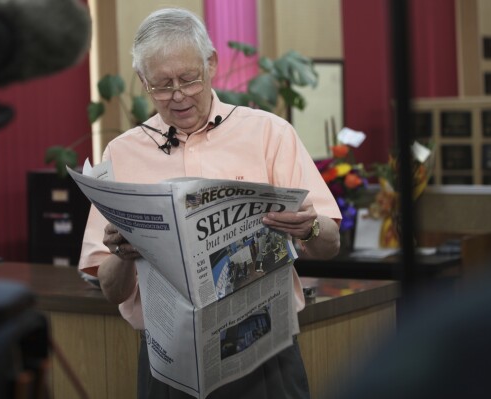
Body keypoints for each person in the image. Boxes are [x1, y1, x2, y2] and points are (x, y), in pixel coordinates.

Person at [79, 7, 341, 399]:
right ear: (142, 81)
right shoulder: (122, 152)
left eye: (189, 79)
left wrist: (311, 227)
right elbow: (112, 290)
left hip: (263, 352)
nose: (179, 96)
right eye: (162, 85)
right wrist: (122, 252)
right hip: (168, 361)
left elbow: (331, 243)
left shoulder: (268, 133)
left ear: (212, 64)